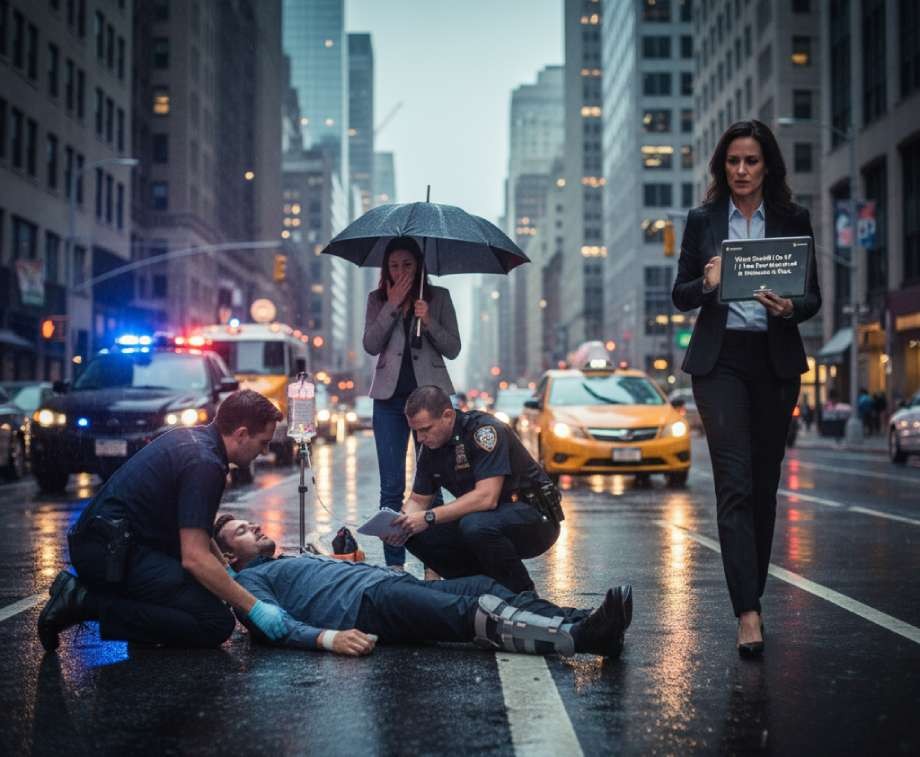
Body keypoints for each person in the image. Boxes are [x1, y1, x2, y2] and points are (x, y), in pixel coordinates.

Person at [672, 120, 821, 658]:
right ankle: (748, 612)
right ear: (722, 166)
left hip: (774, 361)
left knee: (763, 487)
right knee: (733, 483)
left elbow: (813, 297)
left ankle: (750, 591)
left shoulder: (792, 219)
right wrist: (708, 284)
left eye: (750, 161)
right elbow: (680, 294)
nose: (740, 171)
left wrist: (790, 307)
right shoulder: (703, 220)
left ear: (767, 166)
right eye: (732, 161)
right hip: (720, 363)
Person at [37, 390, 290, 652]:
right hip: (109, 556)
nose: (265, 451)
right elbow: (194, 557)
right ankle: (83, 602)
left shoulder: (193, 440)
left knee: (210, 590)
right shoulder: (205, 464)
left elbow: (197, 528)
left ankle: (139, 623)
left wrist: (225, 572)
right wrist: (255, 608)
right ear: (241, 434)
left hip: (111, 546)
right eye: (263, 442)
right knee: (215, 621)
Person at [213, 514, 633, 658]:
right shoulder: (248, 584)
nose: (252, 527)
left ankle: (589, 623)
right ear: (230, 557)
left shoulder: (283, 559)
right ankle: (579, 639)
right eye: (240, 532)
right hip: (371, 605)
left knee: (484, 585)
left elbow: (325, 578)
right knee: (474, 615)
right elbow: (275, 627)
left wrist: (346, 553)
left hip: (389, 584)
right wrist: (330, 639)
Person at [388, 385, 562, 594]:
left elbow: (486, 498)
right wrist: (399, 525)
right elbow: (418, 499)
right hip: (488, 518)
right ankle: (479, 591)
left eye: (425, 429)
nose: (419, 438)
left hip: (535, 518)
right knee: (415, 534)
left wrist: (428, 517)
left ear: (448, 415)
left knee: (475, 525)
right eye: (415, 431)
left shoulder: (484, 432)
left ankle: (523, 594)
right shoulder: (430, 448)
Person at [363, 236, 460, 571]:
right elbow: (371, 344)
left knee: (432, 486)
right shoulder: (377, 300)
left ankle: (436, 565)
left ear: (419, 266)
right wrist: (392, 306)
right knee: (391, 487)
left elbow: (453, 348)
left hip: (429, 402)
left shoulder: (439, 298)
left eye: (407, 264)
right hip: (389, 402)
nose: (400, 270)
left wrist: (429, 320)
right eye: (393, 265)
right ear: (385, 269)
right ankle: (395, 569)